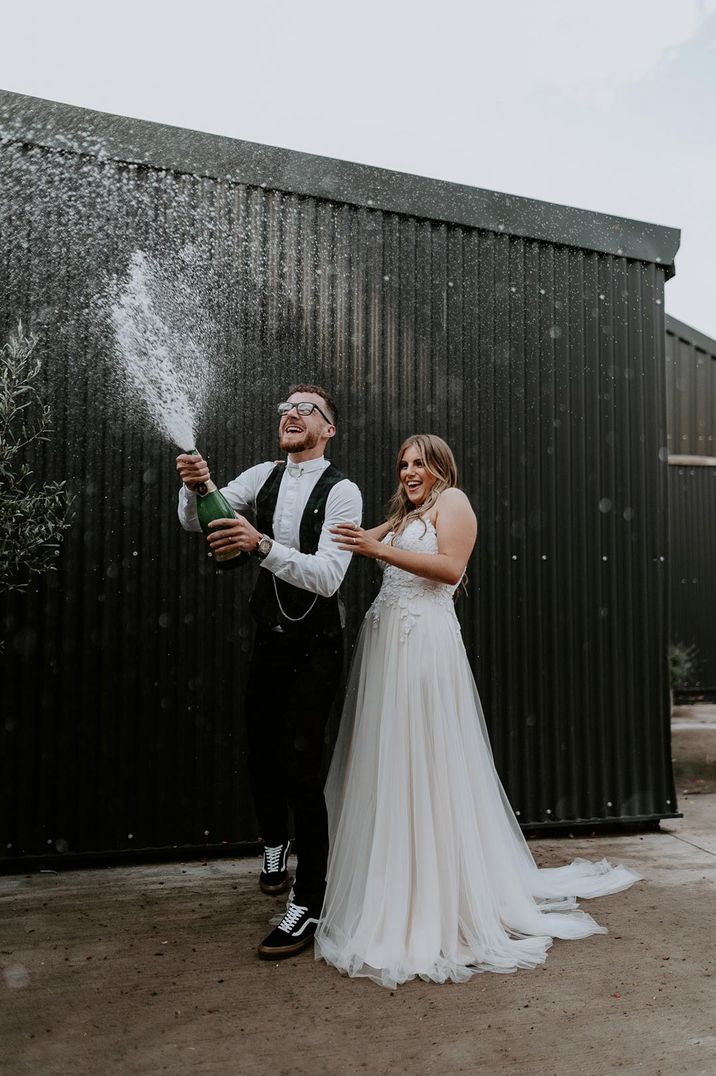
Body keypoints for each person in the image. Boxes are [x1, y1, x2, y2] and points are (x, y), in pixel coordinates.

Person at [315, 433, 641, 989]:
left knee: (428, 755)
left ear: (441, 467)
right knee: (391, 758)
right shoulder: (401, 517)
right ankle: (394, 880)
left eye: (419, 463)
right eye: (403, 465)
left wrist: (375, 548)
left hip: (424, 646)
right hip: (387, 645)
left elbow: (448, 569)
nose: (409, 473)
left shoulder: (454, 503)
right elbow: (348, 544)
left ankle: (439, 891)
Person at [176, 385, 362, 959]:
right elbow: (195, 521)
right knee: (260, 752)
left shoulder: (344, 491)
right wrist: (195, 489)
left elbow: (330, 576)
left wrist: (260, 544)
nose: (291, 414)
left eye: (305, 409)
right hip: (271, 638)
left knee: (301, 770)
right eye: (286, 407)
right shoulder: (261, 475)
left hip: (319, 646)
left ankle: (307, 903)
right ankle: (274, 844)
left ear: (328, 428)